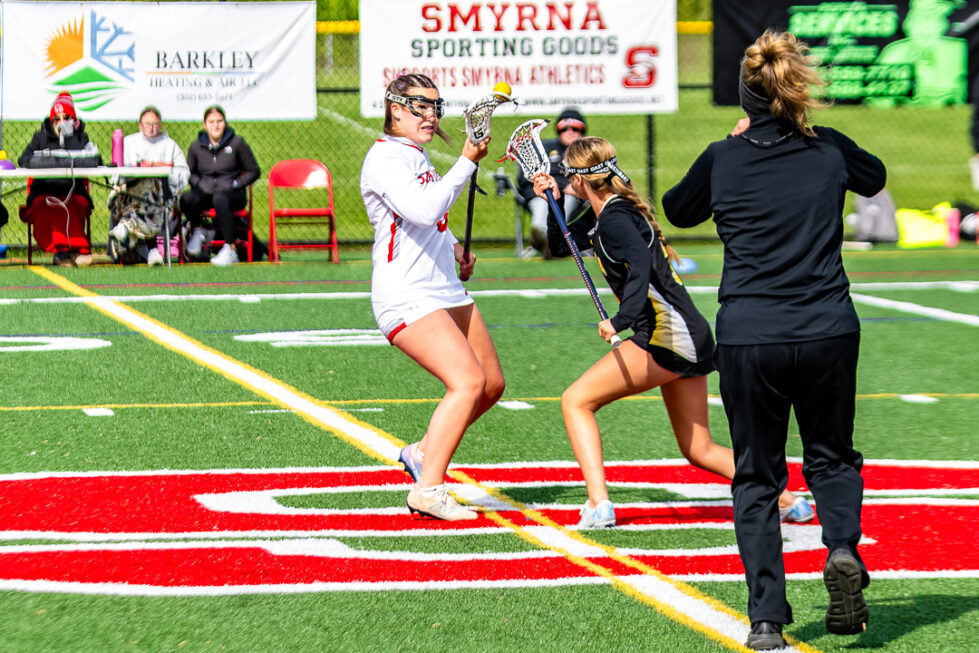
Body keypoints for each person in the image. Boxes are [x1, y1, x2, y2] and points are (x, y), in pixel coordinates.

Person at [662, 30, 886, 650]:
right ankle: (841, 548)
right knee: (832, 456)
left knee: (757, 476)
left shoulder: (723, 155)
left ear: (746, 98)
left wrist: (732, 147)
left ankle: (766, 620)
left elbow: (679, 210)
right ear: (794, 92)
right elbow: (875, 178)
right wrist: (812, 131)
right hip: (827, 328)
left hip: (750, 335)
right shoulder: (830, 149)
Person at [530, 137, 812, 533]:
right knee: (699, 449)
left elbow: (642, 265)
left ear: (582, 179)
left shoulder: (615, 218)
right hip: (689, 333)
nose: (566, 180)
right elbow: (561, 245)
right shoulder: (601, 215)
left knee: (575, 401)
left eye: (568, 177)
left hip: (667, 335)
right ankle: (789, 501)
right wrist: (552, 202)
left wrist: (620, 319)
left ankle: (599, 503)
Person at [360, 73, 505, 521]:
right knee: (466, 382)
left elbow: (424, 219)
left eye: (435, 106)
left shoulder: (414, 154)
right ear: (395, 109)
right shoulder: (385, 158)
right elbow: (423, 208)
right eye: (420, 106)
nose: (431, 115)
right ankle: (428, 490)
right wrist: (464, 161)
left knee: (491, 384)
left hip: (442, 287)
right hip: (406, 294)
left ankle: (424, 452)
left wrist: (454, 246)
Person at [18, 92, 99, 266]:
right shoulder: (40, 137)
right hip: (44, 189)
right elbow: (24, 159)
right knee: (46, 203)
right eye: (57, 119)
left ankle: (78, 250)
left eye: (67, 118)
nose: (61, 123)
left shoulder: (80, 138)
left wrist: (69, 142)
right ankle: (62, 252)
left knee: (76, 202)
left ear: (74, 120)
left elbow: (94, 160)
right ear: (51, 120)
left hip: (72, 189)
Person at [108, 106, 190, 266]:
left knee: (150, 190)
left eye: (154, 124)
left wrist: (158, 169)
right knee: (140, 190)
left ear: (160, 124)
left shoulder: (169, 145)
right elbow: (116, 175)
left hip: (162, 199)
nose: (151, 128)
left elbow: (183, 176)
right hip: (131, 196)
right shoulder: (129, 143)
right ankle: (152, 250)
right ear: (139, 124)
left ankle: (127, 227)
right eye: (147, 123)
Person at [180, 105, 260, 266]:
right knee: (186, 199)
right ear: (205, 124)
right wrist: (199, 183)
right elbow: (189, 173)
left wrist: (237, 183)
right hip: (206, 191)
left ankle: (230, 248)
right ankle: (199, 230)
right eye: (211, 122)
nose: (216, 125)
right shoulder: (196, 146)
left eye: (219, 121)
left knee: (220, 198)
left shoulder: (237, 143)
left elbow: (253, 171)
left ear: (225, 123)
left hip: (232, 193)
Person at [516, 107, 587, 259]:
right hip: (542, 193)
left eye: (575, 128)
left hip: (573, 195)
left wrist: (575, 187)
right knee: (544, 202)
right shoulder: (544, 148)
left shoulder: (586, 152)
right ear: (557, 130)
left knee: (566, 199)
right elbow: (526, 176)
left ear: (583, 131)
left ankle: (547, 240)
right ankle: (543, 236)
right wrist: (552, 186)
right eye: (564, 128)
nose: (570, 132)